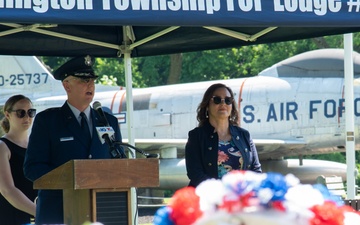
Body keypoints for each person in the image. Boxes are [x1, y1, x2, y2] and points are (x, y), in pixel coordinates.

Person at [24, 55, 124, 224]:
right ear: (66, 85)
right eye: (83, 80)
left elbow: (120, 163)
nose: (90, 85)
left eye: (92, 80)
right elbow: (32, 168)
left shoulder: (108, 121)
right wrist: (71, 179)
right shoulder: (48, 121)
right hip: (58, 211)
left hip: (101, 209)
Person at [185, 83, 262, 187]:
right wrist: (221, 193)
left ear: (232, 106)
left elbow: (256, 170)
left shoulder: (244, 135)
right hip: (208, 198)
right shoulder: (196, 136)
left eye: (228, 100)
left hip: (240, 198)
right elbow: (195, 174)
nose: (223, 104)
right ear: (207, 105)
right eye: (217, 100)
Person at [0, 94, 37, 225]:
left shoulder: (37, 145)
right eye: (20, 113)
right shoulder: (2, 147)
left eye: (31, 112)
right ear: (8, 115)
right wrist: (39, 212)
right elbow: (7, 190)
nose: (27, 117)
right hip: (12, 219)